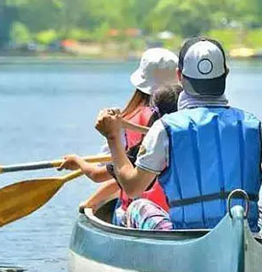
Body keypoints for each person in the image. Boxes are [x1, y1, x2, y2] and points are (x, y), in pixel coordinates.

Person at [94, 37, 262, 235]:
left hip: (188, 235)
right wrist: (259, 169)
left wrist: (113, 137)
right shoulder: (252, 125)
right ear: (226, 73)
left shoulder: (164, 129)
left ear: (179, 76)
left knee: (138, 206)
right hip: (242, 229)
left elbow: (132, 188)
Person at [59, 84, 181, 230]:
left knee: (129, 207)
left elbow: (98, 175)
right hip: (179, 217)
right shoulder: (192, 142)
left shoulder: (146, 149)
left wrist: (78, 161)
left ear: (152, 111)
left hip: (147, 221)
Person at [79, 48, 178, 213]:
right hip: (178, 211)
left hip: (140, 212)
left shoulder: (125, 123)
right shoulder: (186, 124)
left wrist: (77, 162)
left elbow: (105, 174)